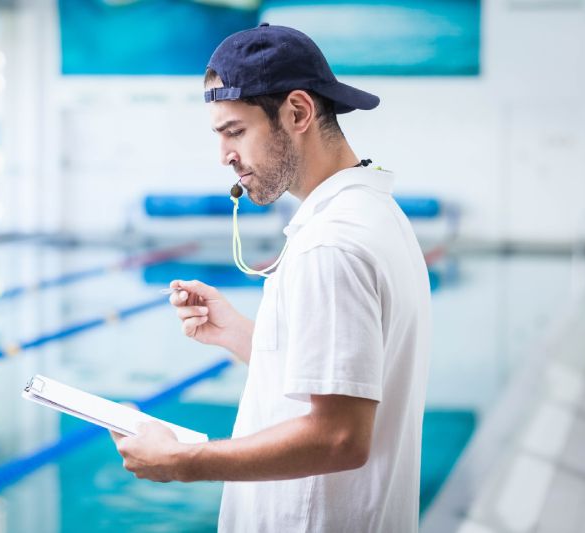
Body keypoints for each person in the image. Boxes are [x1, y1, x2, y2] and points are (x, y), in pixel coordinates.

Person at [110, 23, 431, 533]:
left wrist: (182, 462)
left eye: (235, 131)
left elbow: (339, 437)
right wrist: (238, 333)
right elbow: (340, 376)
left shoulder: (331, 244)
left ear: (298, 112)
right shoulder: (373, 212)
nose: (225, 157)